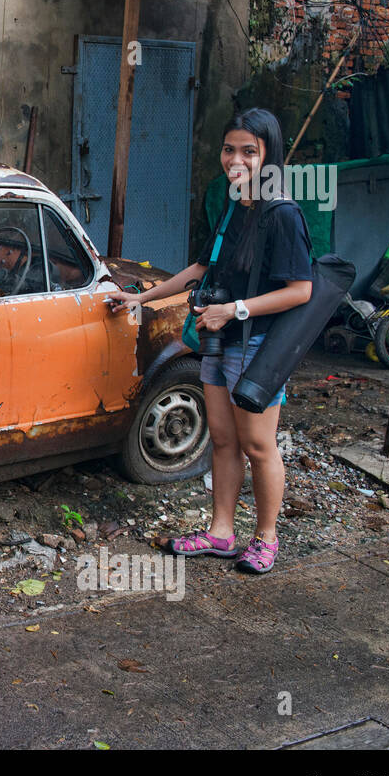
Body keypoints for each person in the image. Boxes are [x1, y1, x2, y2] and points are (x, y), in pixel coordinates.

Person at [105, 108, 313, 573]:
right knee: (222, 440)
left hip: (257, 346)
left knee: (259, 446)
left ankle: (266, 539)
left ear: (269, 156)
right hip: (217, 342)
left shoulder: (282, 214)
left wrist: (234, 310)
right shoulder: (232, 204)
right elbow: (202, 267)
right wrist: (143, 298)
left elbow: (301, 290)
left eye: (248, 152)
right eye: (228, 149)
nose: (234, 159)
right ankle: (221, 533)